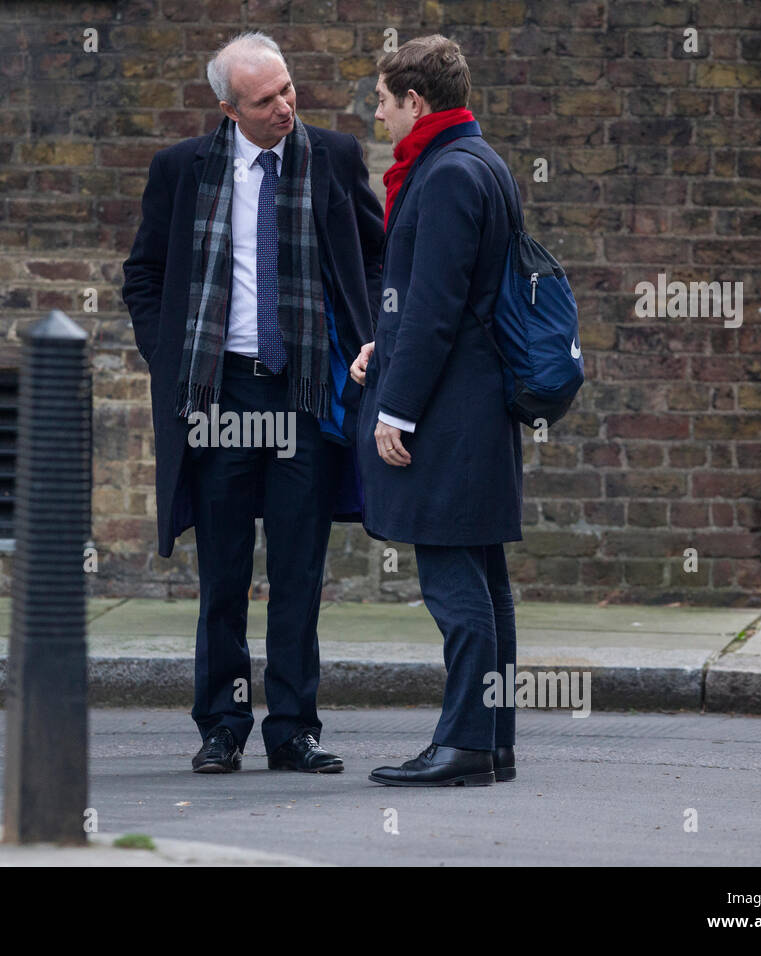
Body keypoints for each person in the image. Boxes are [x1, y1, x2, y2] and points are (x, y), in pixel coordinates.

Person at [122, 32, 384, 774]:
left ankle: (294, 728)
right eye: (265, 100)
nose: (284, 107)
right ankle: (223, 724)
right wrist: (168, 358)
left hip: (303, 390)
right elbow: (141, 276)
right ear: (229, 108)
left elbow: (375, 250)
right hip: (221, 391)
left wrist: (367, 337)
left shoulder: (331, 155)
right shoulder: (183, 171)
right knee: (225, 570)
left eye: (288, 89)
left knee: (300, 568)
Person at [349, 35, 522, 787]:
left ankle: (463, 746)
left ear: (414, 101)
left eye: (383, 103)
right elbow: (428, 303)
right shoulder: (481, 160)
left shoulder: (447, 173)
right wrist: (378, 348)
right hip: (471, 405)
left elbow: (437, 308)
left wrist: (396, 408)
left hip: (451, 414)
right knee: (484, 576)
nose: (379, 117)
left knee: (454, 583)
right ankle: (494, 742)